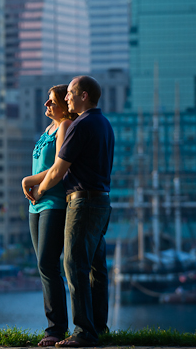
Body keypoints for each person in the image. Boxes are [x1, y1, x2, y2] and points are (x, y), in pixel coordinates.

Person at [29, 76, 114, 348]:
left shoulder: (81, 125)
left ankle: (83, 332)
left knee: (74, 265)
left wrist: (39, 190)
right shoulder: (104, 124)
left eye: (71, 94)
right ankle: (98, 328)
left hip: (83, 202)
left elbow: (58, 169)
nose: (67, 98)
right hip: (101, 201)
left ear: (84, 96)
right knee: (95, 268)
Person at [22, 85, 77, 347]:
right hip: (36, 204)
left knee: (48, 264)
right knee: (44, 267)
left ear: (65, 106)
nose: (47, 104)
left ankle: (56, 329)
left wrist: (29, 180)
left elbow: (58, 167)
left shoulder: (65, 126)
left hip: (53, 202)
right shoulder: (48, 129)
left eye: (52, 101)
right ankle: (54, 326)